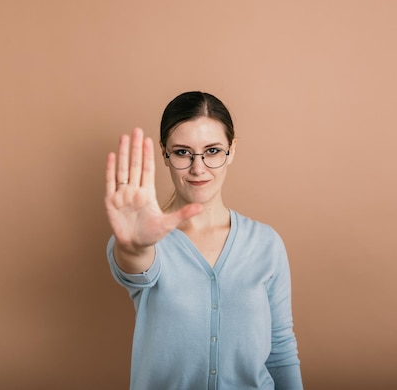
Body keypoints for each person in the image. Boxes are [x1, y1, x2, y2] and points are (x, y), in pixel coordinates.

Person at [105, 91, 303, 390]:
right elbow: (134, 264)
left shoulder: (265, 243)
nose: (198, 168)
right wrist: (134, 247)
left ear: (231, 150)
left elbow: (280, 348)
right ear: (165, 154)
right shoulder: (143, 239)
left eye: (212, 151)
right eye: (183, 152)